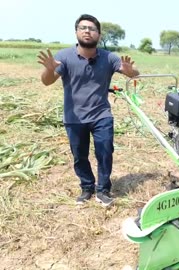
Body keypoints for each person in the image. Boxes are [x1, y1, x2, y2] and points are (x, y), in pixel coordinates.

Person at [37, 14, 140, 207]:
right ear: (76, 32)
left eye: (92, 29)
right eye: (83, 27)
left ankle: (103, 190)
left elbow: (134, 74)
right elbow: (47, 81)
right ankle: (86, 187)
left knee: (105, 151)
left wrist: (130, 72)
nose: (87, 31)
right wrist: (49, 70)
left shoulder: (109, 57)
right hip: (74, 117)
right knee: (79, 155)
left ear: (99, 35)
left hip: (101, 115)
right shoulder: (64, 57)